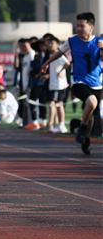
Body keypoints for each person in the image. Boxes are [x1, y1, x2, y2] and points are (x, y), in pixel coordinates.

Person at [42, 12, 103, 154]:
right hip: (78, 81)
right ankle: (82, 128)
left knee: (91, 112)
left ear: (91, 27)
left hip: (96, 84)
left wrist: (101, 49)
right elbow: (59, 52)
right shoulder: (72, 41)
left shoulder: (99, 42)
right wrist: (46, 63)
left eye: (82, 26)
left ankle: (85, 139)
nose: (79, 29)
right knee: (92, 103)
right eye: (77, 26)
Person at [46, 36, 69, 133]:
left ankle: (56, 125)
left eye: (52, 43)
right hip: (53, 84)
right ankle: (58, 125)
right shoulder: (51, 55)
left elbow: (67, 63)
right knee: (56, 105)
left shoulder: (59, 55)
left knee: (56, 104)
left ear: (57, 44)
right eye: (49, 43)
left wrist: (61, 71)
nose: (50, 45)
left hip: (59, 85)